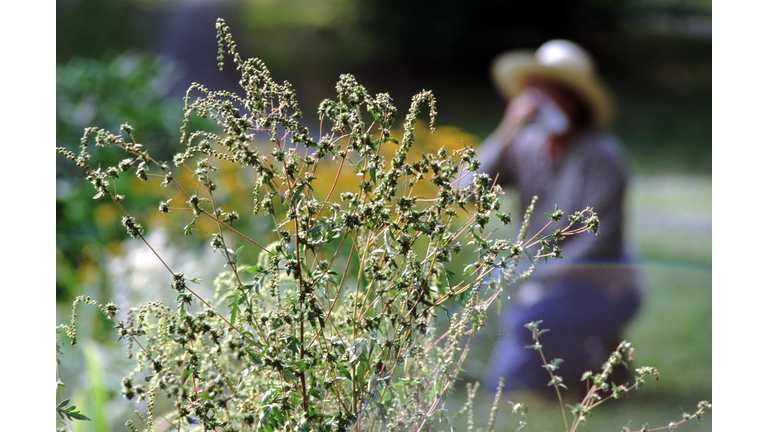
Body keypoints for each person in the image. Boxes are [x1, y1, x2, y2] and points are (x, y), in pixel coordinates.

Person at [470, 40, 643, 394]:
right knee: (503, 377)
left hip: (604, 286)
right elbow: (465, 192)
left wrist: (538, 280)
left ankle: (597, 365)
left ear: (575, 101)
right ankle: (600, 359)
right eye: (537, 92)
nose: (543, 102)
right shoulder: (524, 146)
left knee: (527, 328)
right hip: (545, 283)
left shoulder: (603, 157)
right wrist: (507, 131)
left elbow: (601, 241)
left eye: (554, 92)